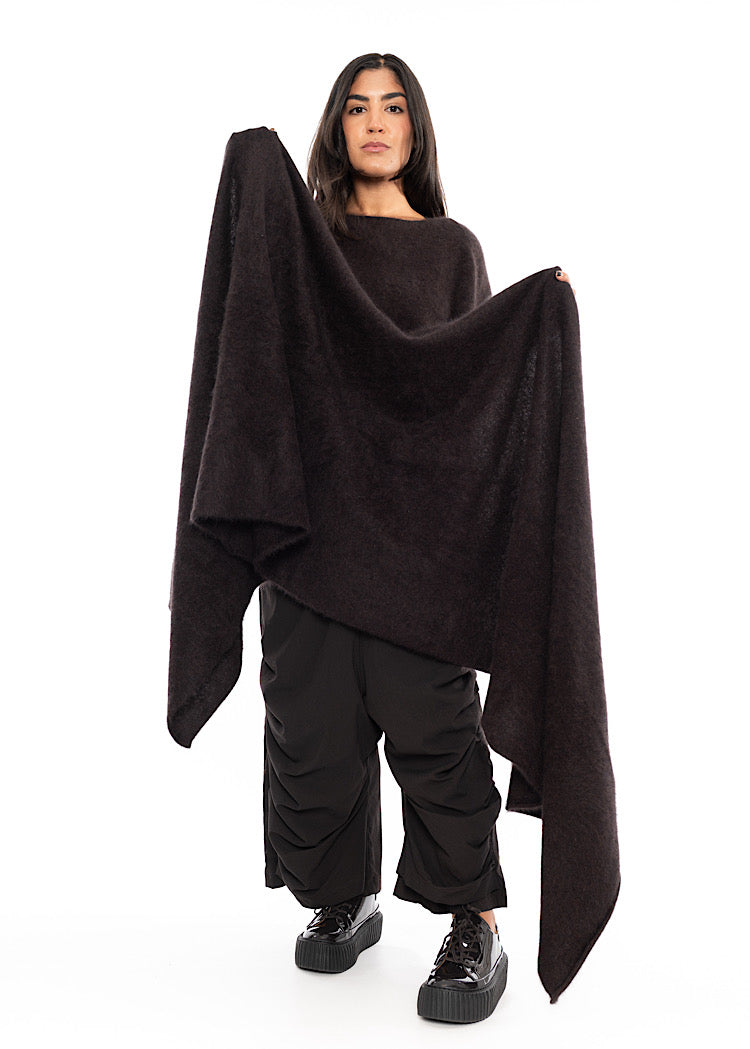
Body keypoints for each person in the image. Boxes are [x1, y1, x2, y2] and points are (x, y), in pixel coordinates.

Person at [259, 52, 574, 1025]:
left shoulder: (449, 250)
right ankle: (344, 896)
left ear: (415, 127)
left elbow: (470, 387)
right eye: (357, 106)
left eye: (393, 106)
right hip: (312, 537)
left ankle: (476, 921)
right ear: (336, 127)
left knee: (436, 733)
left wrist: (534, 315)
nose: (375, 121)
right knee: (314, 734)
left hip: (415, 544)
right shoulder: (305, 243)